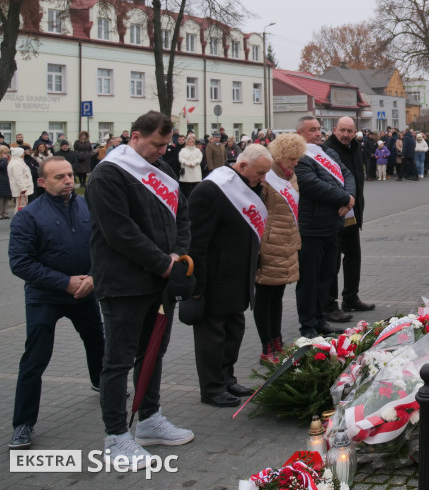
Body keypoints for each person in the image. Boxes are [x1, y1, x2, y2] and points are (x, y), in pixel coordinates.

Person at [87, 111, 194, 465]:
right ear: (135, 136)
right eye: (156, 145)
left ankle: (149, 419)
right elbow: (120, 231)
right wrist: (164, 264)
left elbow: (181, 216)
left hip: (160, 282)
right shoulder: (108, 174)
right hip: (123, 283)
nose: (162, 152)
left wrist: (178, 255)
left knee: (153, 352)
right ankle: (116, 435)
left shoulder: (162, 169)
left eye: (166, 145)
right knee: (118, 360)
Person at [8, 157, 105, 449]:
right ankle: (23, 424)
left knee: (97, 340)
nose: (68, 180)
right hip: (45, 298)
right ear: (42, 182)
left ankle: (99, 381)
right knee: (34, 360)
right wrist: (66, 282)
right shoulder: (28, 216)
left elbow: (102, 245)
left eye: (70, 175)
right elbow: (20, 263)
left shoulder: (86, 205)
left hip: (85, 293)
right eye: (59, 177)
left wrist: (90, 277)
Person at [187, 144, 272, 407]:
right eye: (260, 173)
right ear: (243, 166)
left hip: (239, 274)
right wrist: (196, 284)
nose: (263, 179)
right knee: (212, 336)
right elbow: (196, 241)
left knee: (234, 330)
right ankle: (212, 388)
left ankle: (227, 378)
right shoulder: (211, 190)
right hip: (214, 276)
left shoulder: (248, 185)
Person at [294, 116, 355, 337]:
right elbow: (311, 184)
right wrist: (344, 198)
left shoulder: (329, 153)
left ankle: (320, 320)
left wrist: (349, 196)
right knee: (309, 281)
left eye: (319, 129)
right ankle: (308, 326)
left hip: (332, 227)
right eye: (312, 130)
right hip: (311, 229)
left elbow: (347, 174)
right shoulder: (299, 156)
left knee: (327, 277)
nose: (319, 133)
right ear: (301, 134)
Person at [255, 133, 304, 364]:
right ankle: (267, 346)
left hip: (286, 242)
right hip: (269, 244)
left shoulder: (290, 175)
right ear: (280, 156)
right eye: (292, 159)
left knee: (277, 296)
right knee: (265, 298)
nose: (296, 163)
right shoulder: (265, 178)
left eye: (297, 158)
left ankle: (278, 341)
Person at [323, 117, 375, 315]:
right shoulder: (328, 150)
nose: (345, 135)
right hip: (336, 213)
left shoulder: (355, 147)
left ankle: (351, 297)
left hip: (354, 213)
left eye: (349, 131)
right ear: (335, 129)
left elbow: (355, 178)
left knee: (353, 256)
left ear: (355, 132)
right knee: (333, 261)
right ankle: (330, 304)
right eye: (342, 130)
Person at [9, 147, 34, 213]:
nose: (24, 154)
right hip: (22, 189)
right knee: (21, 206)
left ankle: (20, 220)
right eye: (22, 153)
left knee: (22, 205)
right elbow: (18, 177)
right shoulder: (17, 163)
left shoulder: (17, 161)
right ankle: (19, 221)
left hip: (23, 188)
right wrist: (22, 188)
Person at [0, 145, 13, 218]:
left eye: (7, 153)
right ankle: (0, 213)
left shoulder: (9, 160)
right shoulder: (3, 160)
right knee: (1, 199)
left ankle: (5, 213)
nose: (6, 154)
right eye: (4, 153)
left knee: (6, 198)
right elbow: (1, 166)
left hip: (7, 181)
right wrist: (4, 159)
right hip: (1, 181)